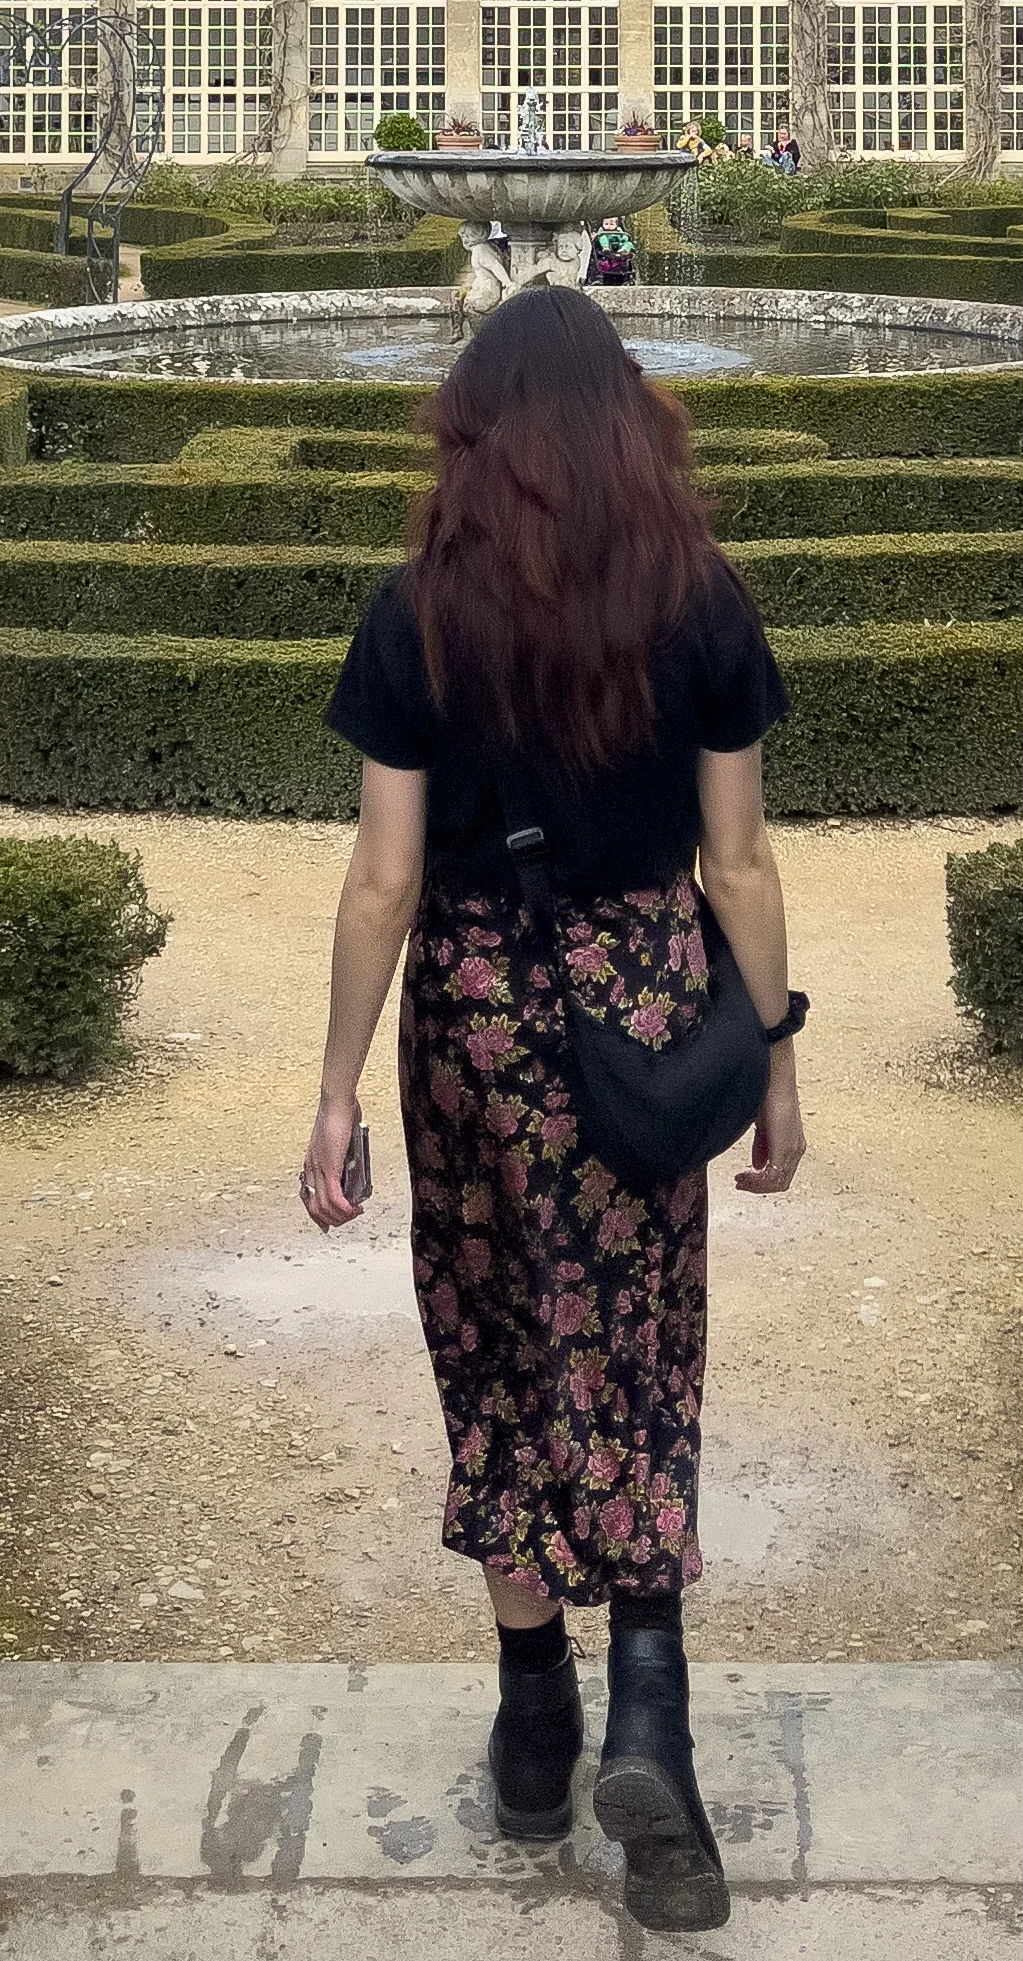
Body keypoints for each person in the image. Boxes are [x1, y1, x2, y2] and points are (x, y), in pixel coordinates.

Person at [299, 289, 807, 1934]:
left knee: (501, 1332)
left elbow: (382, 881)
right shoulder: (701, 601)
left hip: (478, 1015)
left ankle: (536, 1711)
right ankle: (646, 1697)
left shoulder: (418, 608)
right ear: (630, 427)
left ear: (472, 432)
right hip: (648, 1006)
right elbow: (737, 863)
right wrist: (775, 1057)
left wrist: (330, 1092)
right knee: (642, 1339)